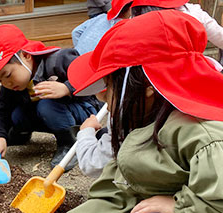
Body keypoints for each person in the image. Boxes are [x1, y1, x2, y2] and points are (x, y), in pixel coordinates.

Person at [31, 10, 223, 213]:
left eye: (110, 82)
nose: (103, 94)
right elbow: (120, 190)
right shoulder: (151, 126)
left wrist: (179, 206)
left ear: (146, 85)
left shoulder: (203, 131)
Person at [77, 0, 222, 178]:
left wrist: (176, 205)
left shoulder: (204, 139)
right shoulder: (202, 89)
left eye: (108, 85)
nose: (101, 97)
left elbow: (96, 164)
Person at [0, 24, 101, 170]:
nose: (6, 83)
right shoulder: (11, 85)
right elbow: (2, 110)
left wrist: (67, 88)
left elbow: (91, 76)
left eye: (8, 75)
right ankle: (20, 134)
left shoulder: (58, 60)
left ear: (26, 56)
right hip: (48, 114)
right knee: (16, 112)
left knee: (47, 105)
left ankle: (69, 143)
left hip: (83, 111)